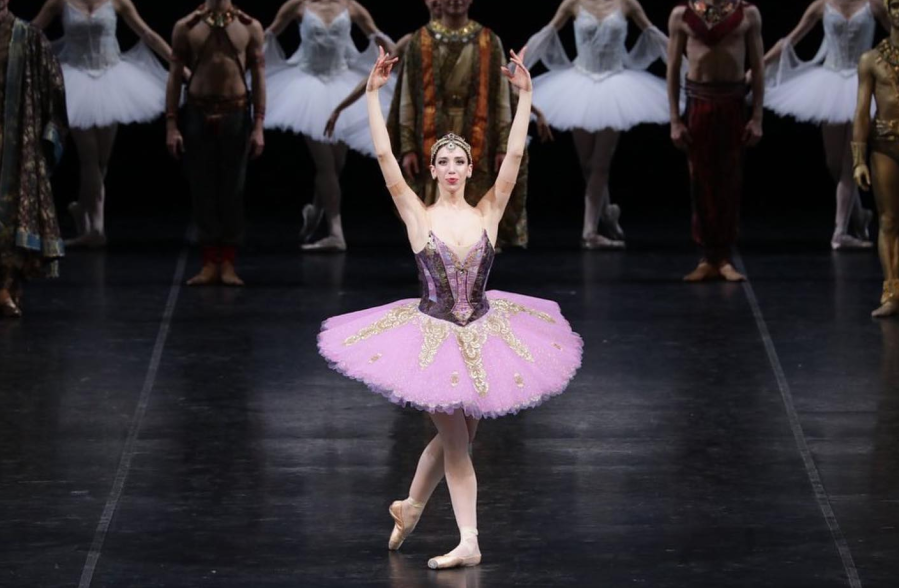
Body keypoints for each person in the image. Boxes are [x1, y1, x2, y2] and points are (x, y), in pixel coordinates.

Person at [317, 48, 582, 569]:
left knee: (456, 436)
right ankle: (469, 540)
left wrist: (526, 96)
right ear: (434, 170)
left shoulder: (488, 212)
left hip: (484, 333)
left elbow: (512, 158)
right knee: (457, 443)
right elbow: (386, 157)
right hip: (433, 338)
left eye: (461, 160)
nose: (454, 168)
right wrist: (373, 94)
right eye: (445, 161)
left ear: (467, 166)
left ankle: (411, 506)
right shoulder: (418, 214)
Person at [522, 0, 671, 249]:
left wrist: (685, 65)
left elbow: (654, 36)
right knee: (587, 163)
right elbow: (545, 36)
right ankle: (608, 214)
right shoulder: (573, 3)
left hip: (615, 84)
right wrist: (521, 65)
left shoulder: (628, 4)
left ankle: (589, 232)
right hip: (580, 82)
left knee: (601, 162)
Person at [32, 0, 174, 249]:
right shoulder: (59, 2)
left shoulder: (119, 2)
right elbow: (31, 33)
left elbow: (147, 34)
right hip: (76, 80)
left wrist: (177, 64)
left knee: (102, 161)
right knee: (89, 157)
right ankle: (96, 230)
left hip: (111, 78)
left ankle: (81, 209)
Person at [389, 0, 529, 249]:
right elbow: (408, 96)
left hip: (479, 130)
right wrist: (408, 145)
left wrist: (502, 145)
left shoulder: (488, 40)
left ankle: (475, 266)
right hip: (430, 131)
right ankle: (435, 263)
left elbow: (501, 98)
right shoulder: (421, 40)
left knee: (479, 197)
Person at [265, 0, 393, 252]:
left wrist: (393, 52)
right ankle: (336, 232)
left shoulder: (352, 7)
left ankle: (315, 210)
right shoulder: (297, 5)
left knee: (336, 165)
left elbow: (377, 35)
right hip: (308, 89)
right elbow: (269, 35)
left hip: (342, 85)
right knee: (325, 164)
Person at [764, 0, 891, 250]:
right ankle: (859, 214)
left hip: (863, 85)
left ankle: (839, 232)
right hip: (829, 83)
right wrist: (757, 68)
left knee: (849, 161)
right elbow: (789, 40)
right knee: (833, 162)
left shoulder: (874, 5)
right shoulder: (821, 5)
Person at [166, 0, 266, 286]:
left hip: (235, 113)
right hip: (198, 112)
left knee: (233, 189)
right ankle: (209, 261)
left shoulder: (249, 27)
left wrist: (258, 124)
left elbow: (259, 77)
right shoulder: (187, 27)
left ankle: (229, 263)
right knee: (202, 187)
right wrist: (171, 124)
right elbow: (174, 77)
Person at [667, 0, 764, 282]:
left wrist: (757, 116)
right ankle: (706, 256)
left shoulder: (747, 13)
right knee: (700, 179)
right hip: (699, 100)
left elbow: (757, 68)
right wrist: (674, 119)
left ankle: (724, 256)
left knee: (730, 179)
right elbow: (673, 68)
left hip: (732, 101)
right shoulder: (682, 15)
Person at [0, 0, 68, 318]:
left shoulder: (27, 37)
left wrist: (47, 134)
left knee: (14, 210)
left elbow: (53, 86)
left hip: (16, 140)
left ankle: (7, 284)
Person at [852, 0, 899, 317]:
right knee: (889, 219)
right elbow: (861, 112)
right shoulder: (871, 59)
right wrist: (859, 158)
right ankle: (893, 289)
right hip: (885, 145)